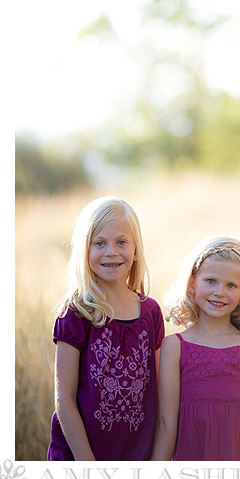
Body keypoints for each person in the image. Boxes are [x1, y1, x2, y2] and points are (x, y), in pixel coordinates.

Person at [47, 197, 164, 461]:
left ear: (135, 251)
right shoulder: (77, 312)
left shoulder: (151, 313)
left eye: (121, 242)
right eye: (99, 243)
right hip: (79, 460)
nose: (111, 251)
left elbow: (157, 393)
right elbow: (64, 400)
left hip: (136, 459)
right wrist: (91, 470)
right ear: (84, 251)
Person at [152, 236, 240, 461]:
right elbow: (166, 422)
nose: (220, 292)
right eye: (211, 281)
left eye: (231, 285)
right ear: (192, 284)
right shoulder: (174, 346)